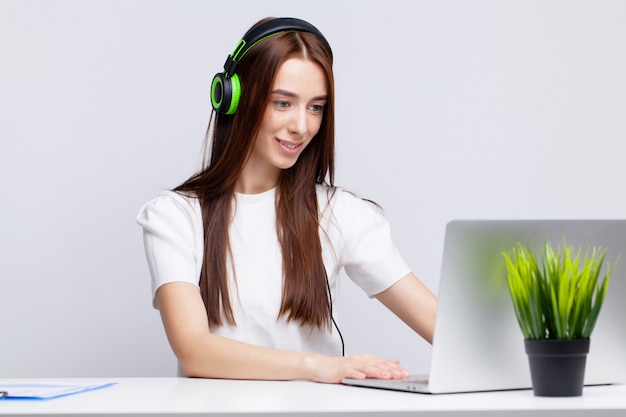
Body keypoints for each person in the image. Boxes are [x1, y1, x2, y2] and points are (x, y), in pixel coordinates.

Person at [136, 17, 437, 384]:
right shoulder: (175, 216)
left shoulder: (341, 214)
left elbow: (443, 329)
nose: (302, 126)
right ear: (233, 98)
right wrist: (320, 366)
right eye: (283, 103)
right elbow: (194, 350)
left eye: (315, 107)